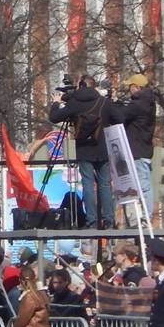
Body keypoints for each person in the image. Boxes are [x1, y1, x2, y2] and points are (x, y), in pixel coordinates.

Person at [49, 74, 114, 228]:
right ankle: (109, 220)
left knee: (88, 184)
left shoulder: (75, 103)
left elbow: (54, 117)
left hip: (84, 149)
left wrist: (56, 103)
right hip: (103, 149)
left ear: (82, 86)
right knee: (105, 185)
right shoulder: (103, 102)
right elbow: (119, 117)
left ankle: (92, 221)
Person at [109, 73, 158, 225]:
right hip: (141, 150)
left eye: (130, 87)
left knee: (143, 185)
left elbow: (121, 116)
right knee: (139, 185)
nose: (129, 91)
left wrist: (113, 103)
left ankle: (145, 217)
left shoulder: (138, 105)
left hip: (138, 151)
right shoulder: (147, 102)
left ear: (136, 87)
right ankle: (140, 217)